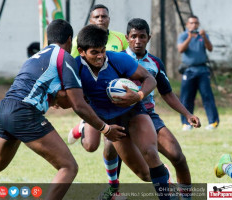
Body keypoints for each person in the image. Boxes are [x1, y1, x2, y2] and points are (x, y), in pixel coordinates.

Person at [0, 19, 126, 200]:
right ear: (70, 39)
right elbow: (78, 105)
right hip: (24, 113)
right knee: (68, 167)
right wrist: (105, 128)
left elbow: (52, 94)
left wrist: (55, 98)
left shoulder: (38, 56)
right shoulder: (65, 58)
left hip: (5, 108)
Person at [74, 24, 173, 200]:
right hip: (110, 122)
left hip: (133, 112)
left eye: (102, 50)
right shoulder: (75, 68)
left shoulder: (118, 59)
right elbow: (73, 100)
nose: (100, 56)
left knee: (151, 153)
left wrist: (139, 95)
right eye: (94, 52)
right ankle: (161, 174)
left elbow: (149, 78)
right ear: (81, 51)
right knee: (144, 174)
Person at [177, 15, 219, 131]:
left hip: (202, 71)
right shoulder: (184, 36)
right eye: (191, 23)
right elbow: (180, 49)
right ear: (187, 25)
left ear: (198, 24)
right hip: (189, 70)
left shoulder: (203, 35)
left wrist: (205, 37)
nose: (193, 25)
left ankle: (213, 122)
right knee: (186, 98)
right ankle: (187, 123)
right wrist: (189, 38)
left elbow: (210, 48)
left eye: (196, 23)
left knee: (207, 96)